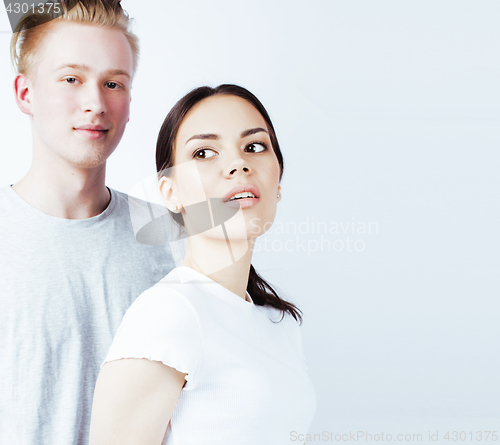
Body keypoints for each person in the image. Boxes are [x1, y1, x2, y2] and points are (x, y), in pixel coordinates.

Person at [89, 84, 316, 445]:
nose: (238, 164)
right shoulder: (168, 313)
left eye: (254, 146)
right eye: (205, 152)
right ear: (171, 193)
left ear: (278, 181)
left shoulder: (279, 324)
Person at [0, 1, 174, 444]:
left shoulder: (170, 235)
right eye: (71, 79)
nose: (96, 103)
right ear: (25, 93)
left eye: (113, 83)